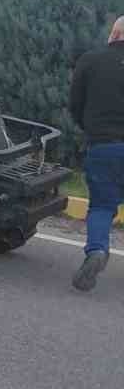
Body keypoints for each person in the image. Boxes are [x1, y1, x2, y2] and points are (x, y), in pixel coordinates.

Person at [70, 16, 124, 293]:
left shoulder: (91, 60)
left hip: (103, 144)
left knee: (102, 206)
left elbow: (75, 103)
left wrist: (89, 128)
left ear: (114, 34)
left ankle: (97, 251)